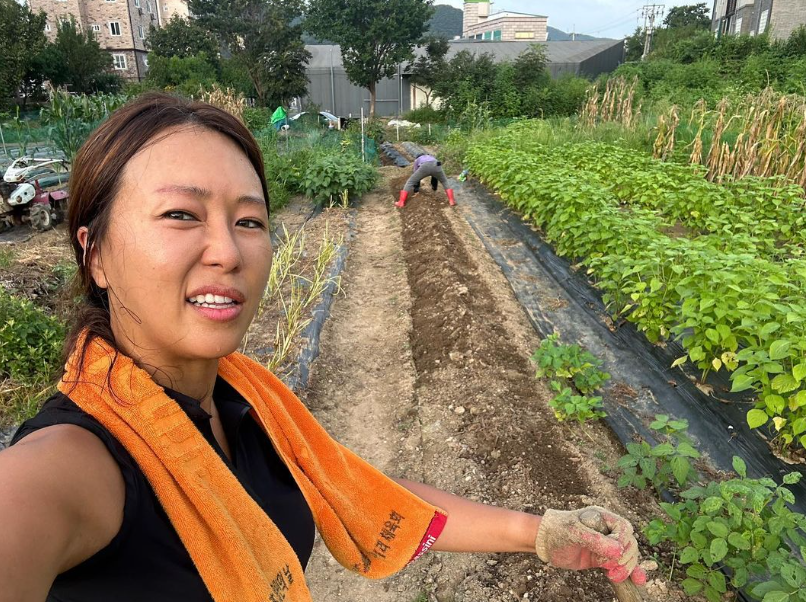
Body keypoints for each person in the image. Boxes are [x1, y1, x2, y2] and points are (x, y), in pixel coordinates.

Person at [0, 93, 646, 602]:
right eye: (181, 215)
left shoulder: (243, 401)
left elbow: (351, 487)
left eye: (249, 220)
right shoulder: (67, 467)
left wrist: (538, 532)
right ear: (95, 252)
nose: (227, 251)